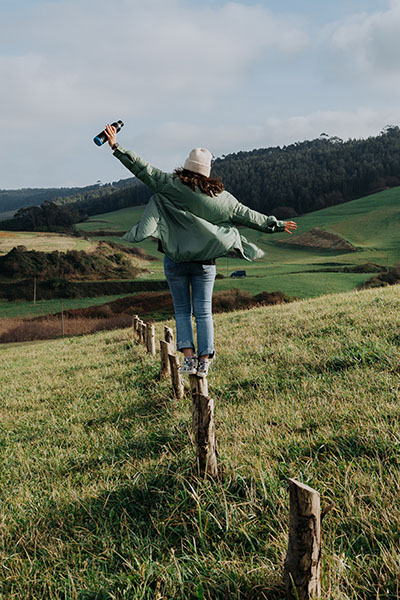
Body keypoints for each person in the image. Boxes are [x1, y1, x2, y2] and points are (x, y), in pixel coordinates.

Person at [103, 124, 297, 377]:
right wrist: (277, 225)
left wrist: (116, 146)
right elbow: (252, 217)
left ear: (186, 167)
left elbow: (141, 167)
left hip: (175, 259)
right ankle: (205, 361)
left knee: (182, 310)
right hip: (205, 263)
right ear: (208, 172)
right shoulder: (224, 199)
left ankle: (188, 359)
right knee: (204, 311)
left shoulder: (169, 185)